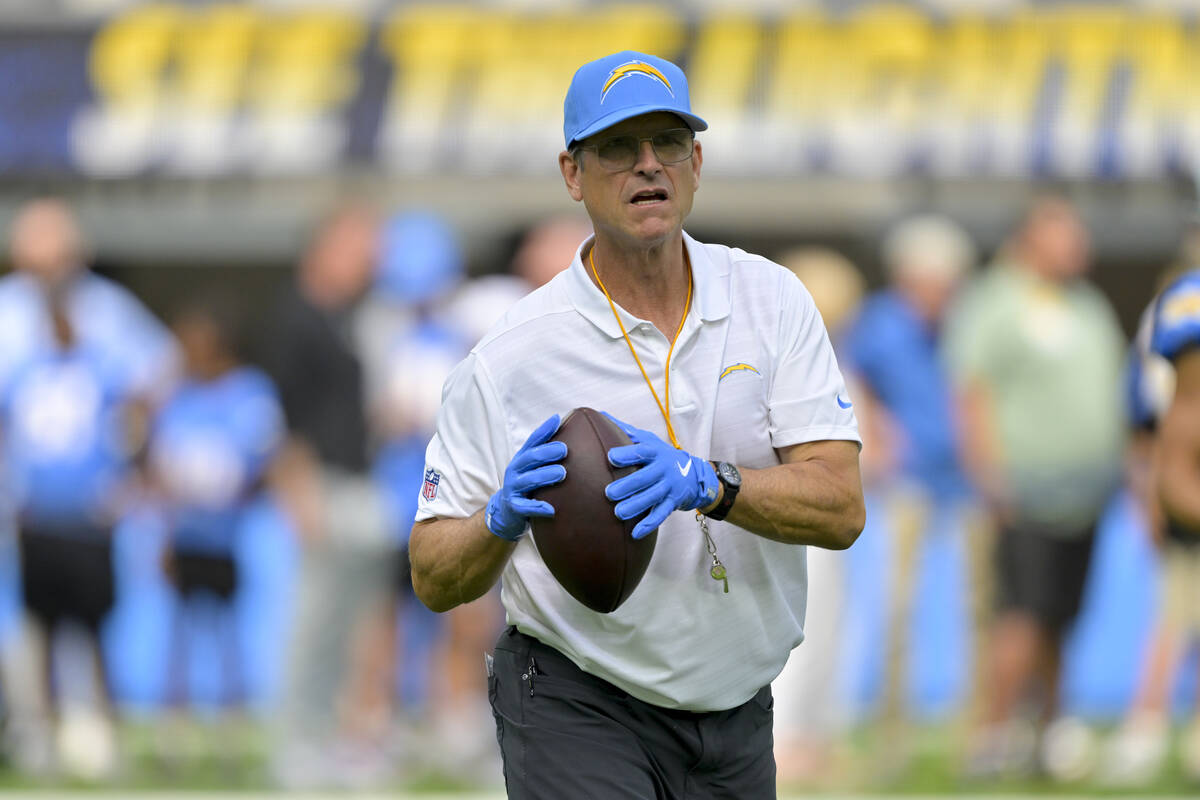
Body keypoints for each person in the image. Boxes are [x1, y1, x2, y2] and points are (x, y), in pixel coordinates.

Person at [409, 51, 865, 798]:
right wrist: (496, 522)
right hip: (577, 697)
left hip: (736, 701)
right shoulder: (510, 357)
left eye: (669, 144)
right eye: (619, 148)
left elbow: (842, 508)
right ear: (571, 172)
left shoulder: (771, 301)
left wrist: (710, 483)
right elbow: (431, 572)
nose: (648, 166)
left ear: (697, 161)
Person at [944, 193, 1126, 778]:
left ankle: (1049, 735)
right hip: (1025, 490)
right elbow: (971, 391)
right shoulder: (997, 301)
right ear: (1030, 237)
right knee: (1019, 614)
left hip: (1086, 494)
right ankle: (993, 738)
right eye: (1065, 233)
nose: (1080, 244)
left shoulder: (1086, 303)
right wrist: (990, 475)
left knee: (1061, 619)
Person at [0, 198, 176, 778]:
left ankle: (100, 732)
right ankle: (38, 734)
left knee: (95, 627)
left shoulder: (106, 313)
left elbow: (155, 379)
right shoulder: (8, 315)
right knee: (36, 628)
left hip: (89, 510)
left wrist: (130, 463)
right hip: (27, 509)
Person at [842, 214, 988, 767]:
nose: (940, 293)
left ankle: (975, 734)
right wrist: (877, 433)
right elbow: (848, 384)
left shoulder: (968, 321)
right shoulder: (880, 324)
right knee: (897, 609)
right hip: (907, 483)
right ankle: (891, 736)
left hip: (966, 478)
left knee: (979, 608)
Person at [261, 202, 398, 788]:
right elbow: (277, 416)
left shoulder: (351, 318)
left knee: (355, 623)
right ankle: (297, 742)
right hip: (317, 484)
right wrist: (297, 494)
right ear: (325, 249)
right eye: (359, 247)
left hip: (359, 484)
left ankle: (345, 739)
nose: (370, 261)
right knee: (314, 623)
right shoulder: (293, 318)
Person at [147, 292, 284, 718]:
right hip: (187, 532)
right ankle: (176, 713)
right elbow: (161, 467)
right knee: (179, 629)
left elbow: (265, 459)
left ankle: (233, 709)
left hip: (229, 537)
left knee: (229, 629)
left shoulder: (250, 392)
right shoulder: (177, 396)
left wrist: (229, 490)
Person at [1101, 261, 1200, 785]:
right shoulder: (1183, 314)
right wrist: (1154, 499)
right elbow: (1155, 429)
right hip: (1188, 492)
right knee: (1175, 613)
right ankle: (1147, 728)